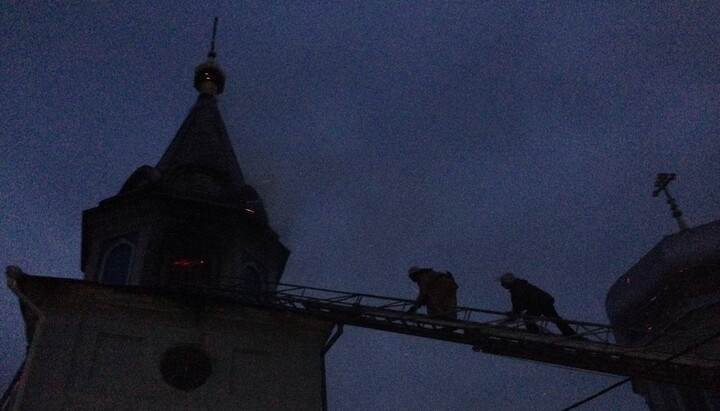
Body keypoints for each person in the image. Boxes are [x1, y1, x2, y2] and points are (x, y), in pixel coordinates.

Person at [499, 272, 576, 337]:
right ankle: (571, 334)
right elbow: (518, 306)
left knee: (529, 318)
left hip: (540, 304)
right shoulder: (520, 286)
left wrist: (512, 315)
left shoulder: (517, 289)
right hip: (542, 303)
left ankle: (537, 333)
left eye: (504, 284)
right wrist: (514, 313)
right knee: (554, 319)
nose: (504, 286)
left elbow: (518, 306)